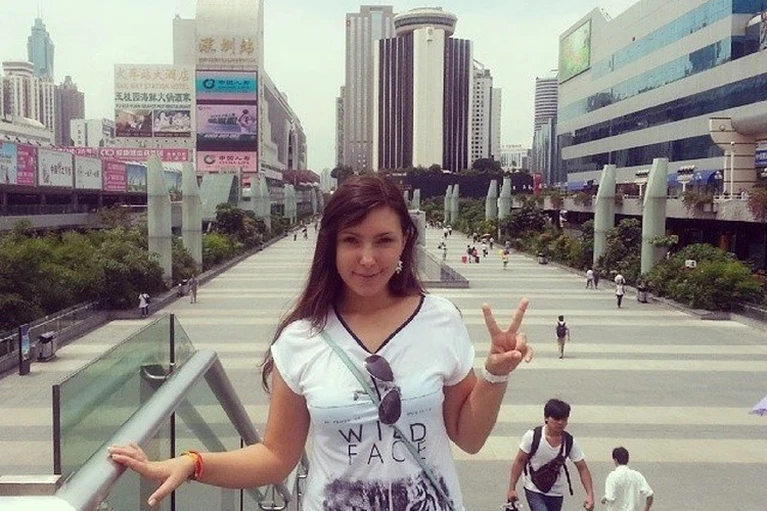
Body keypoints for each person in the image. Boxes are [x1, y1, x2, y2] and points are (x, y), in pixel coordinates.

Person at [108, 174, 534, 510]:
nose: (367, 258)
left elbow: (469, 437)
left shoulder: (439, 319)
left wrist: (494, 375)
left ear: (406, 240)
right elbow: (277, 456)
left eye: (383, 240)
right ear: (330, 244)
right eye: (351, 240)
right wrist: (194, 463)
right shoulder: (301, 338)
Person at [507, 399, 595, 511]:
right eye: (556, 419)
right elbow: (519, 461)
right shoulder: (533, 436)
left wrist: (590, 495)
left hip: (556, 492)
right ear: (546, 418)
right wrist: (511, 488)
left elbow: (582, 468)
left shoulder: (569, 441)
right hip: (533, 488)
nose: (560, 423)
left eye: (564, 419)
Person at [601, 447, 654, 511]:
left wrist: (604, 499)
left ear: (615, 460)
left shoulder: (612, 476)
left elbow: (610, 497)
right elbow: (650, 494)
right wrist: (646, 509)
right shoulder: (637, 475)